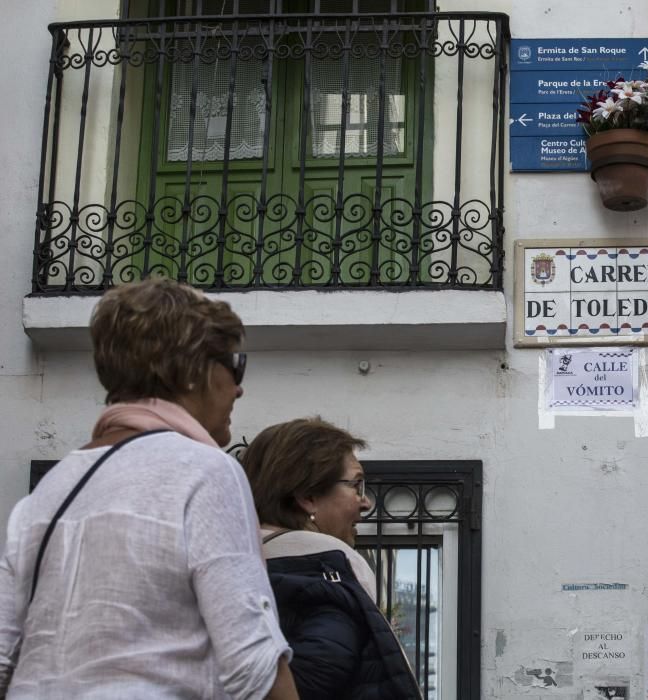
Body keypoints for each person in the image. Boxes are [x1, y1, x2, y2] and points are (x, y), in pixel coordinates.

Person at [0, 278, 298, 699]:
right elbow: (255, 667)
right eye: (235, 364)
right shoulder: (205, 471)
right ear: (195, 371)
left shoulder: (45, 494)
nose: (239, 386)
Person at [241, 417, 423, 700]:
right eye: (356, 485)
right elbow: (306, 683)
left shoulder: (239, 574)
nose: (366, 502)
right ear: (308, 496)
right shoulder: (325, 585)